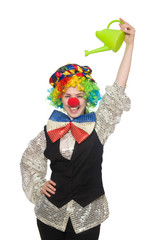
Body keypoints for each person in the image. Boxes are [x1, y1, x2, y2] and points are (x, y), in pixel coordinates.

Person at [20, 18, 135, 240]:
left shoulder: (99, 125)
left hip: (87, 218)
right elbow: (28, 161)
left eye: (79, 96)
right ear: (60, 99)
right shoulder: (49, 130)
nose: (73, 102)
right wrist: (38, 184)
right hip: (50, 215)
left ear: (87, 97)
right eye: (68, 96)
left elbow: (118, 89)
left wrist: (129, 46)